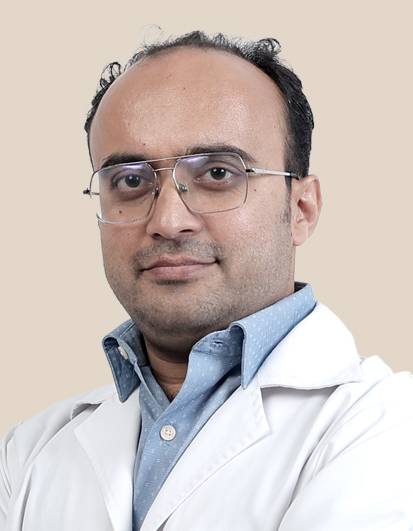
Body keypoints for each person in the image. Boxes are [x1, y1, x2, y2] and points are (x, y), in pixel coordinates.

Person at [1, 30, 412, 531]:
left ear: (302, 209)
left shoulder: (388, 425)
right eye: (130, 180)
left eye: (218, 173)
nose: (168, 221)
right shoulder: (28, 453)